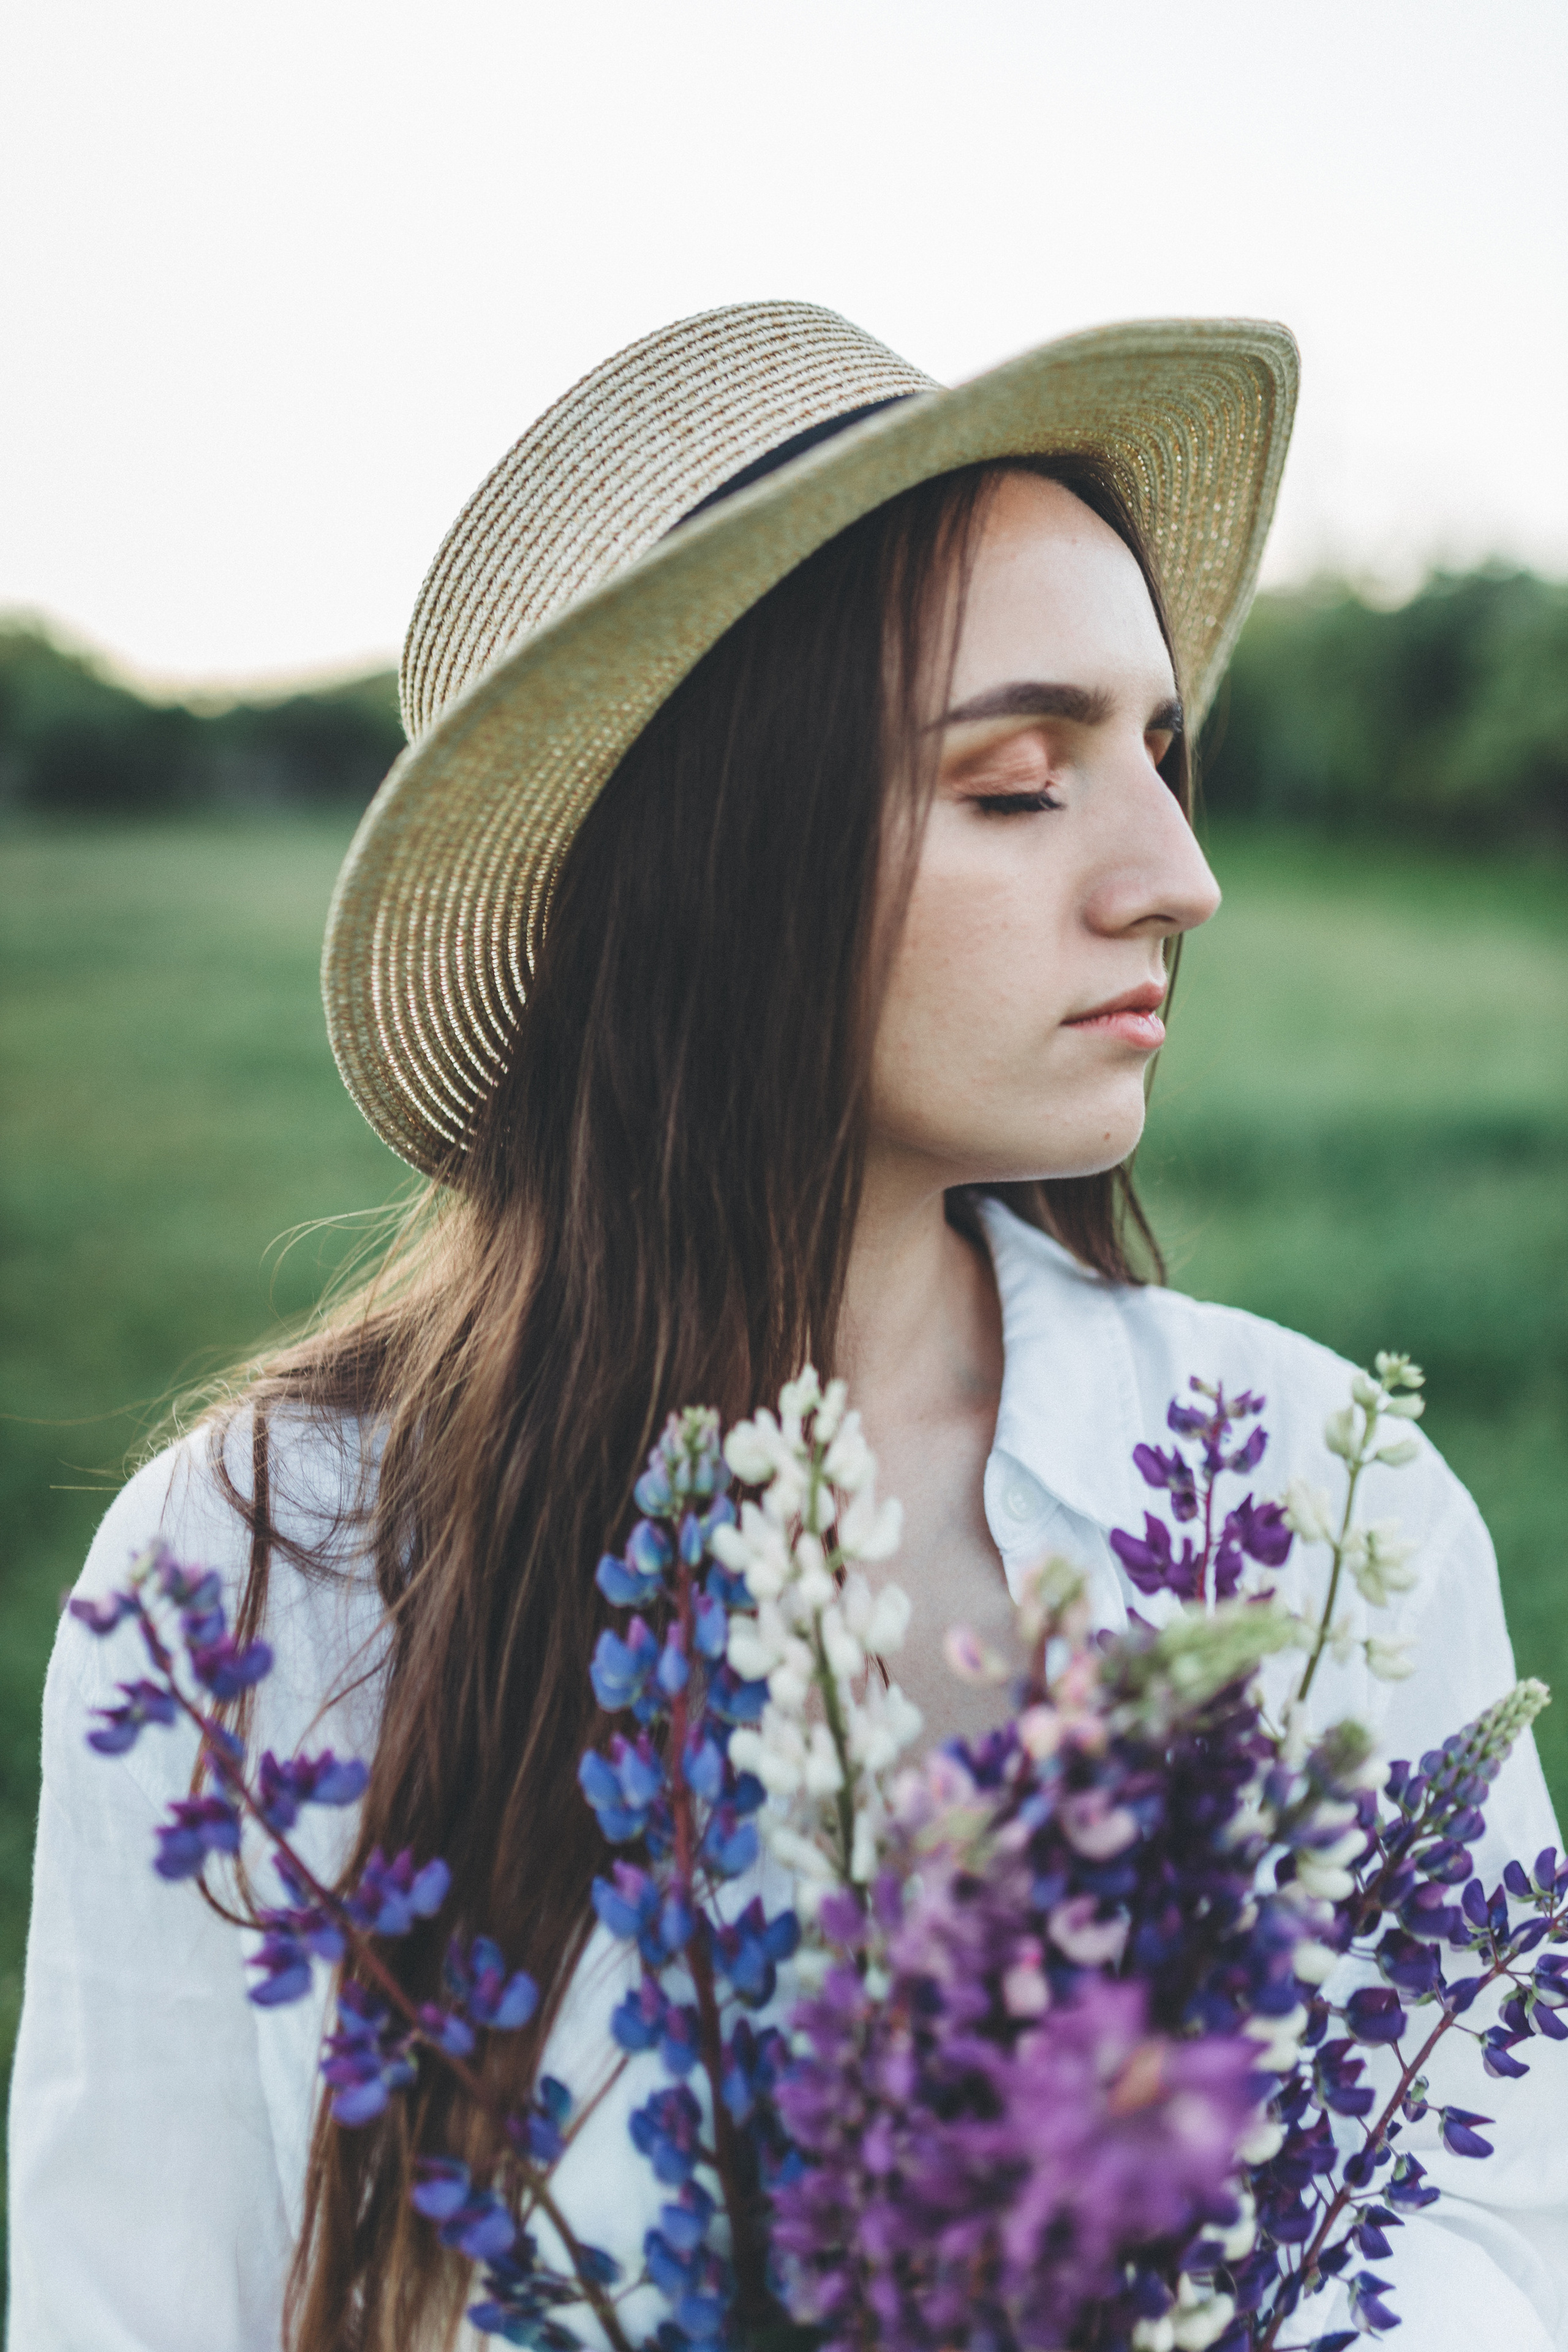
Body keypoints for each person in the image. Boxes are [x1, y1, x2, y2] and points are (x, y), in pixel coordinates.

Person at [8, 303, 1565, 2351]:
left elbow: (1498, 2224)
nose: (1175, 876)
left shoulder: (1313, 1500)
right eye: (1023, 784)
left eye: (1162, 760)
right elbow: (132, 2297)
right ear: (718, 861)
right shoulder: (248, 1571)